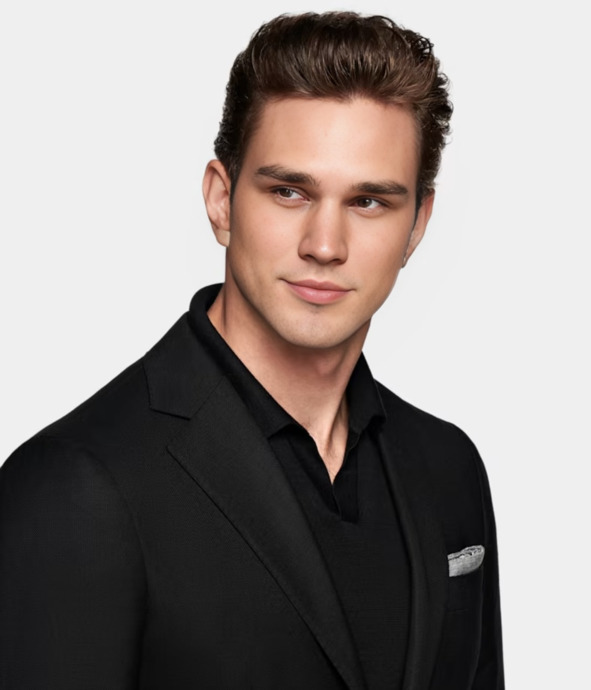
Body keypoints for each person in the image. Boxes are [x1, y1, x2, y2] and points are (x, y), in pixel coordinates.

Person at [0, 11, 504, 690]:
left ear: (416, 225)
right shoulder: (75, 487)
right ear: (221, 200)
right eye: (288, 191)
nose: (324, 245)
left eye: (368, 202)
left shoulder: (449, 468)